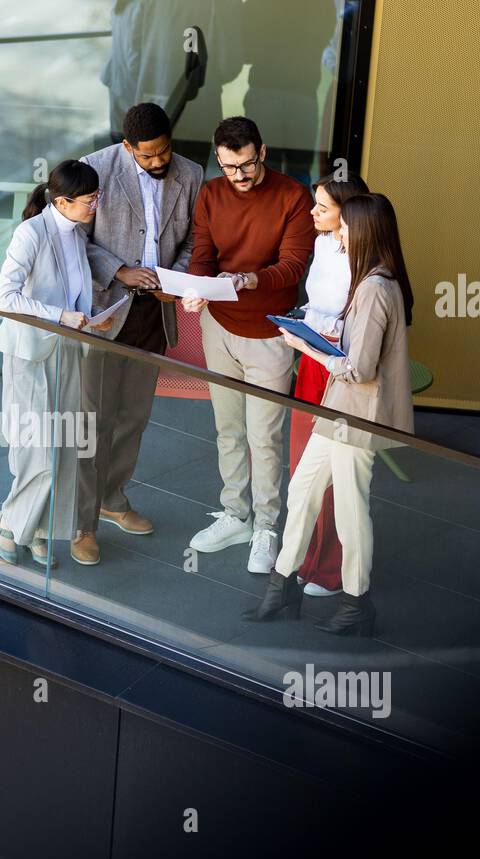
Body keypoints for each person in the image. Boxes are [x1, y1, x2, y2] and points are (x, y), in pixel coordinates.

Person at [250, 192, 415, 636]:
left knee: (350, 509)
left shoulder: (376, 288)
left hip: (356, 414)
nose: (338, 232)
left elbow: (359, 369)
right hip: (341, 409)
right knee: (302, 492)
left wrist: (307, 347)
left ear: (363, 232)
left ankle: (356, 601)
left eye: (345, 227)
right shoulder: (373, 283)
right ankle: (281, 585)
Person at [181, 116, 317, 574]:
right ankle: (235, 515)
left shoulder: (293, 196)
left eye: (246, 165)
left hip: (269, 334)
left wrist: (247, 278)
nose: (238, 176)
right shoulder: (212, 194)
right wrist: (197, 288)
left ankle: (266, 527)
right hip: (218, 326)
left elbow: (294, 266)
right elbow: (203, 254)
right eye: (228, 167)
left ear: (263, 151)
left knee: (264, 436)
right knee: (228, 430)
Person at [71, 102, 204, 566]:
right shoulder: (94, 169)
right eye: (147, 156)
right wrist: (120, 270)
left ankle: (113, 498)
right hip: (106, 309)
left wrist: (177, 278)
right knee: (94, 421)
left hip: (155, 314)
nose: (157, 161)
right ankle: (81, 523)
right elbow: (75, 239)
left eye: (163, 151)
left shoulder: (192, 172)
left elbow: (193, 240)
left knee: (133, 417)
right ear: (128, 147)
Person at [0, 160, 111, 568]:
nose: (96, 204)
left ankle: (41, 530)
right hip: (30, 352)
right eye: (90, 199)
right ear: (62, 201)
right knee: (35, 448)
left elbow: (72, 293)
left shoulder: (75, 233)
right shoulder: (30, 233)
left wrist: (92, 313)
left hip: (66, 350)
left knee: (62, 447)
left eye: (97, 196)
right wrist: (61, 317)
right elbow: (5, 298)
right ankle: (11, 525)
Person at [289, 170, 370, 598]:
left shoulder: (369, 260)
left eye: (322, 206)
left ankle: (332, 570)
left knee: (338, 470)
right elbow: (319, 303)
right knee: (304, 461)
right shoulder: (322, 244)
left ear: (349, 212)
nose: (312, 211)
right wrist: (301, 321)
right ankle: (307, 557)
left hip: (342, 366)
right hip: (312, 359)